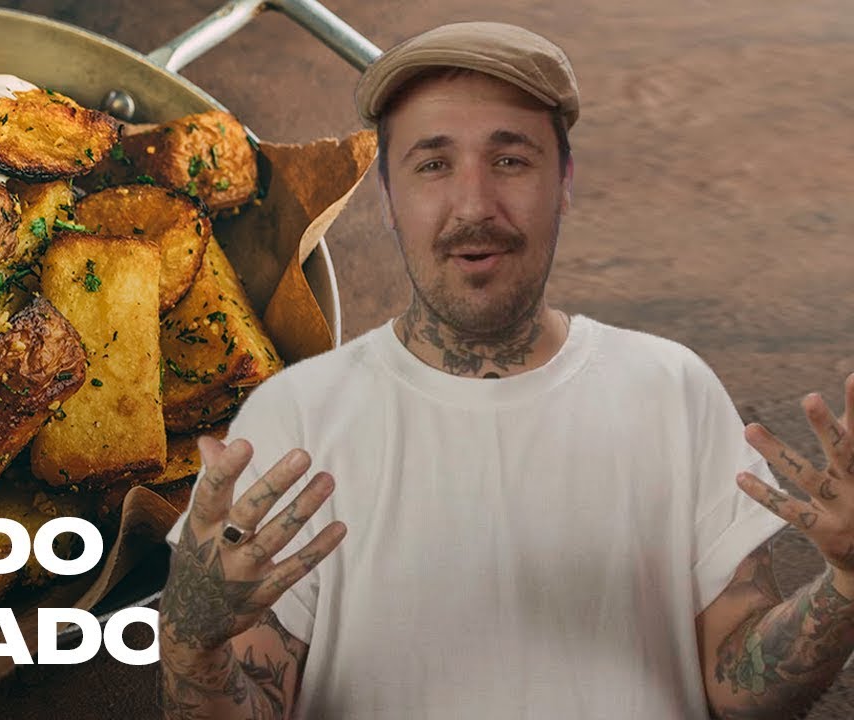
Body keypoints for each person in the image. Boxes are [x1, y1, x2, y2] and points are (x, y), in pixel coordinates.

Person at [156, 20, 854, 720]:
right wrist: (191, 640)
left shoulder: (673, 389)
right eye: (434, 164)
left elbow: (742, 690)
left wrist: (846, 587)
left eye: (511, 160)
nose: (474, 206)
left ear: (564, 182)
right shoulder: (298, 415)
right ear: (388, 200)